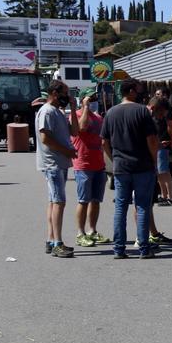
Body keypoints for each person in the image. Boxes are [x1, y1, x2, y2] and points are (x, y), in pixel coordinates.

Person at [100, 78, 160, 259]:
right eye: (139, 89)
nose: (141, 93)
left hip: (121, 167)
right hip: (142, 166)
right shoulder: (142, 111)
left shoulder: (111, 113)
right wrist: (154, 160)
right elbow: (151, 140)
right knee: (142, 207)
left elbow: (104, 141)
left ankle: (119, 249)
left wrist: (114, 158)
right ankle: (144, 248)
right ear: (132, 91)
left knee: (120, 208)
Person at [36, 79, 77, 257]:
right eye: (65, 93)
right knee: (59, 202)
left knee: (54, 201)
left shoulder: (58, 112)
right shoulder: (46, 112)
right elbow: (45, 138)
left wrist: (74, 109)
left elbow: (75, 131)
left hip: (59, 162)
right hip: (52, 163)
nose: (67, 97)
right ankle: (57, 243)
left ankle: (51, 239)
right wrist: (67, 151)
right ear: (54, 93)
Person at [70, 87, 109, 248]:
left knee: (96, 201)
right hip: (83, 164)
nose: (92, 102)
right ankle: (80, 233)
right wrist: (85, 106)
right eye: (89, 99)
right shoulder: (77, 115)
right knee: (83, 200)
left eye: (93, 100)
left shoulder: (99, 117)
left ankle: (92, 230)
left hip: (98, 164)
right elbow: (82, 128)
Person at [150, 97, 172, 205]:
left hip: (163, 143)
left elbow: (171, 127)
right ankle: (163, 195)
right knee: (159, 172)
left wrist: (171, 140)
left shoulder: (166, 113)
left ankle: (170, 197)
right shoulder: (152, 114)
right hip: (156, 144)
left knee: (163, 171)